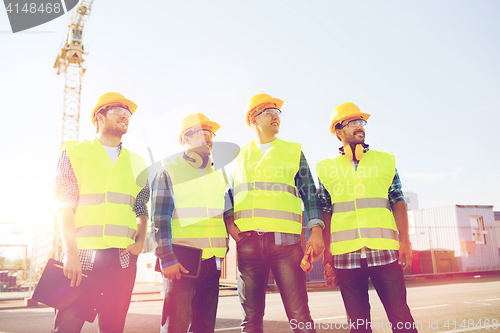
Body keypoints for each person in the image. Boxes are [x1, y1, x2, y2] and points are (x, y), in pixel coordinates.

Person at [224, 93, 325, 333]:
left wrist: (316, 231)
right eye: (268, 112)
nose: (275, 116)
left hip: (286, 244)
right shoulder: (237, 157)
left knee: (300, 315)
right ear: (253, 120)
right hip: (248, 244)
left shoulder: (293, 152)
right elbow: (227, 194)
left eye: (277, 112)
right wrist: (230, 223)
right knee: (250, 319)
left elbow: (310, 194)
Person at [317, 102, 418, 333]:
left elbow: (398, 201)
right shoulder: (325, 168)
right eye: (352, 122)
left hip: (384, 252)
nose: (360, 126)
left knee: (401, 318)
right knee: (358, 325)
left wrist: (405, 242)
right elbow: (326, 212)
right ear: (338, 130)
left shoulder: (385, 160)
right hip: (346, 256)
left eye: (361, 122)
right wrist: (328, 260)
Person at [53, 92, 149, 332]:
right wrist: (70, 253)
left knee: (114, 328)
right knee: (67, 328)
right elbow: (64, 203)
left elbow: (141, 206)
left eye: (128, 113)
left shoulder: (137, 161)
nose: (125, 116)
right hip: (82, 257)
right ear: (99, 116)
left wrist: (140, 242)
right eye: (119, 110)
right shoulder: (74, 152)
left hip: (122, 259)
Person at [151, 113, 229, 333]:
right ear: (185, 138)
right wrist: (166, 258)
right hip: (181, 262)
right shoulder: (170, 170)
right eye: (201, 133)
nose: (208, 138)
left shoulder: (217, 176)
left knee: (205, 328)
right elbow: (159, 217)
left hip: (211, 263)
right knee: (176, 326)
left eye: (210, 133)